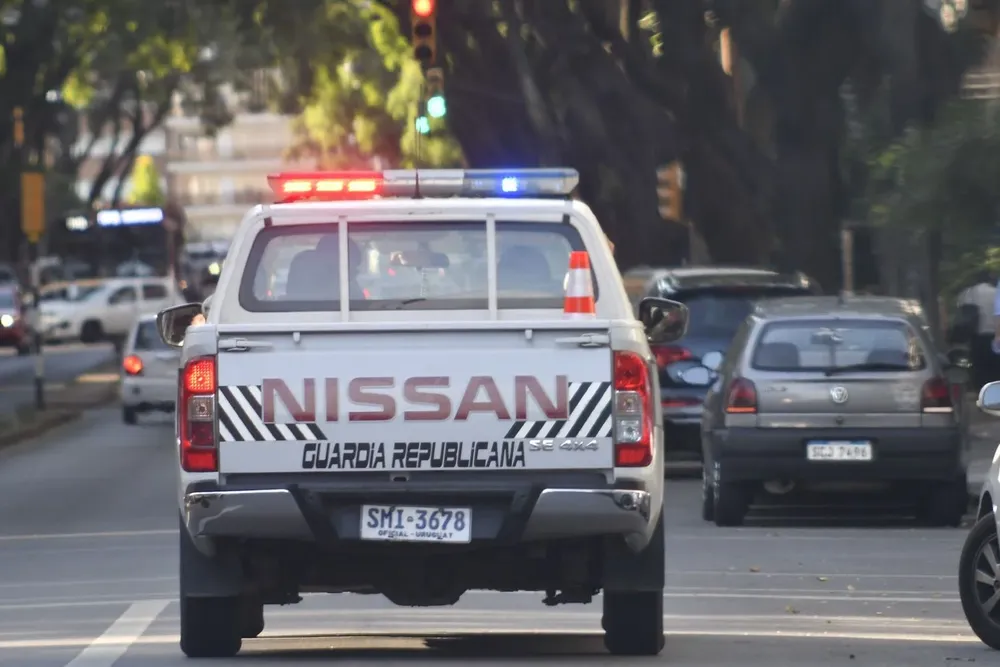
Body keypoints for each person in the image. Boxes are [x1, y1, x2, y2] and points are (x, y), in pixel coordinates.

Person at [957, 270, 997, 389]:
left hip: (977, 337)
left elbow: (961, 310)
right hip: (996, 336)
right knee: (995, 368)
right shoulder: (996, 293)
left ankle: (981, 391)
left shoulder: (968, 293)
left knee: (979, 367)